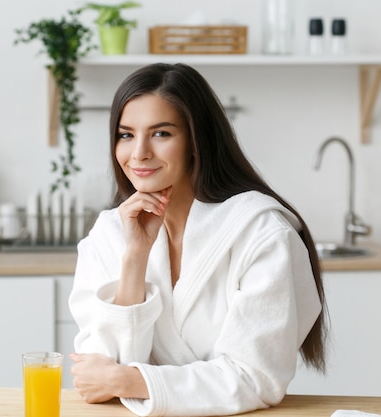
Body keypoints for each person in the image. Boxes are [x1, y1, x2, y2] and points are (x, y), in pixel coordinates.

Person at [68, 62, 327, 417]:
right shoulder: (109, 234)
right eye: (126, 135)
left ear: (195, 140)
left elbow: (254, 378)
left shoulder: (262, 233)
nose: (139, 152)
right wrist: (134, 258)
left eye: (161, 134)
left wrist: (128, 381)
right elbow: (98, 372)